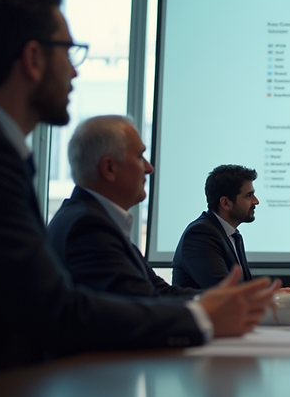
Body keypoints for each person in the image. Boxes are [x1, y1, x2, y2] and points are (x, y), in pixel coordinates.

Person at [0, 0, 279, 384]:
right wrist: (201, 316)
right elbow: (55, 310)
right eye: (68, 51)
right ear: (33, 58)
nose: (76, 70)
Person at [47, 115, 201, 298]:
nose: (149, 168)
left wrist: (228, 300)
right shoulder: (88, 227)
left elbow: (160, 292)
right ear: (109, 168)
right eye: (139, 157)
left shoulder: (92, 218)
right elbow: (143, 304)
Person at [173, 165, 260, 289]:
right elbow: (224, 293)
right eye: (248, 196)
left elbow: (242, 290)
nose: (256, 201)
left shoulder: (233, 235)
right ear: (225, 202)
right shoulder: (200, 234)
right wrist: (272, 296)